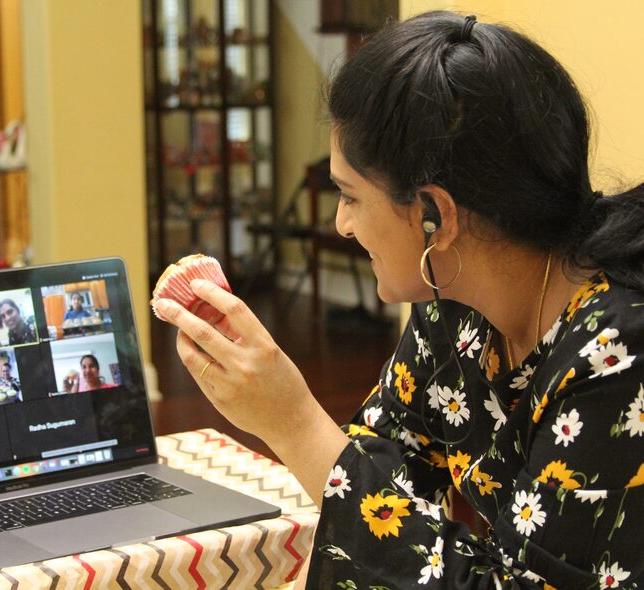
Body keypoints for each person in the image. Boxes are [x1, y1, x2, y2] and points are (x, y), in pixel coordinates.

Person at [154, 12, 644, 589]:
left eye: (350, 196)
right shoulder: (451, 305)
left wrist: (293, 422)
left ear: (435, 214)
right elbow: (388, 472)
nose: (341, 224)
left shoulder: (618, 350)